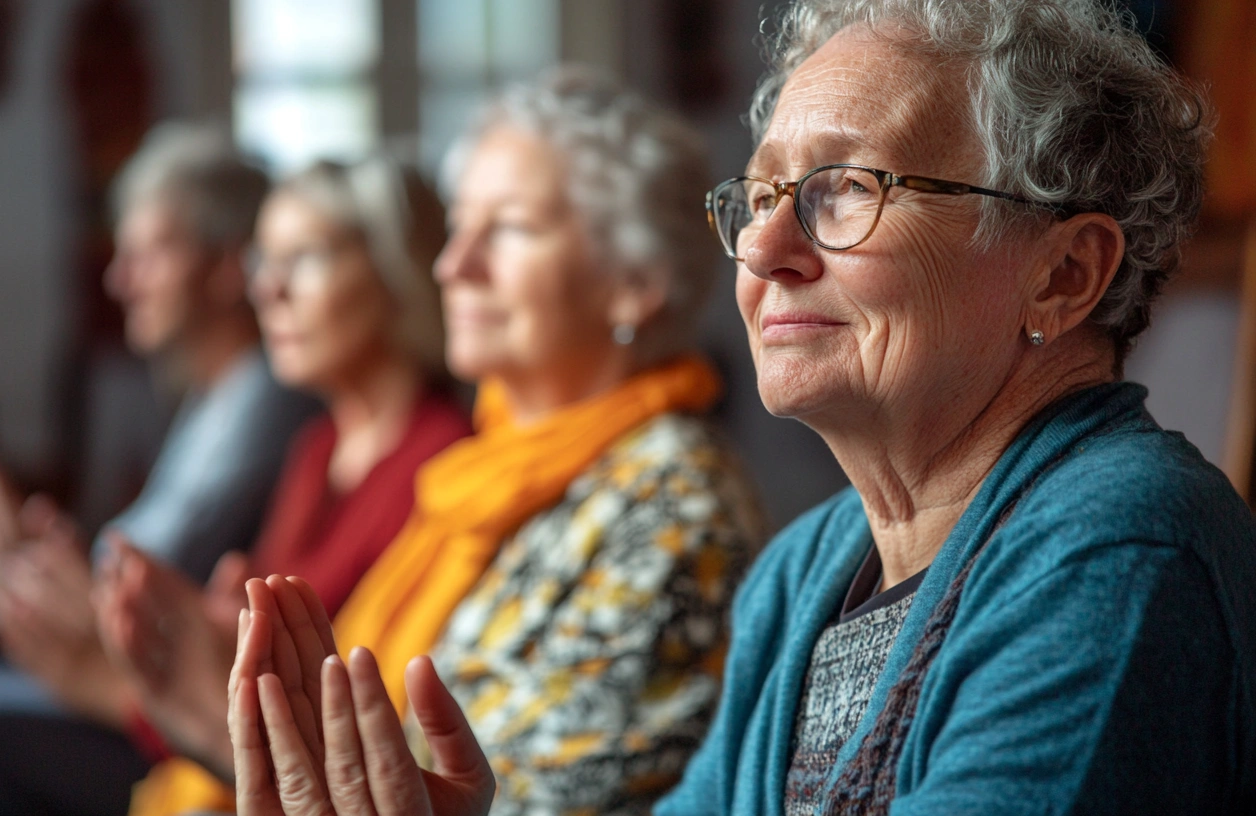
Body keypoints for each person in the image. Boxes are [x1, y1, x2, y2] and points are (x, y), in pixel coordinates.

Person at [227, 2, 1256, 815]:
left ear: (1063, 274)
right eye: (760, 196)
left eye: (845, 188)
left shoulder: (1115, 546)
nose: (763, 249)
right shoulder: (804, 571)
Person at [228, 67, 768, 816]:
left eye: (509, 229)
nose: (453, 267)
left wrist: (234, 721)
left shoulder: (673, 510)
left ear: (635, 281)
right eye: (457, 227)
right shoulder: (477, 476)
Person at [0, 123, 315, 816]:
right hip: (123, 676)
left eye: (150, 253)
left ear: (229, 268)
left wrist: (13, 570)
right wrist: (14, 571)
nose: (119, 278)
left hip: (164, 707)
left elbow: (136, 577)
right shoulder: (210, 392)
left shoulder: (267, 397)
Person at [87, 157, 473, 812]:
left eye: (305, 259)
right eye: (266, 262)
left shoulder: (439, 458)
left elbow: (345, 695)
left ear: (393, 274)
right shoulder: (317, 449)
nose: (269, 290)